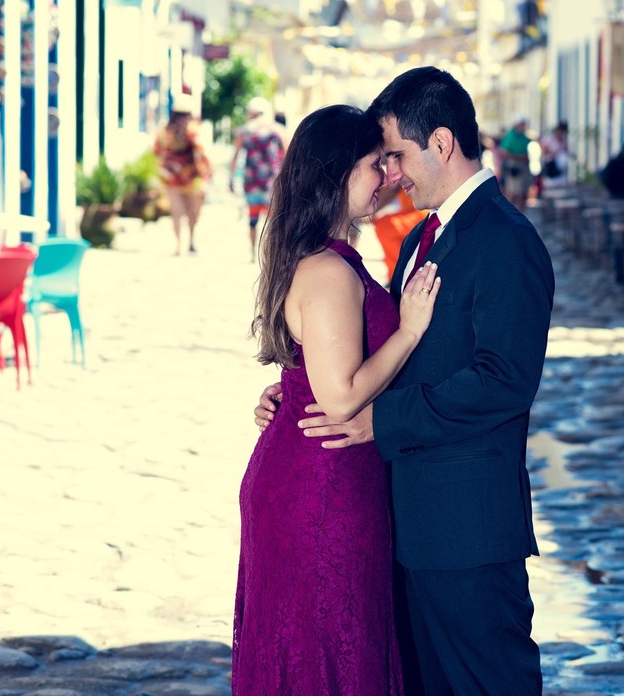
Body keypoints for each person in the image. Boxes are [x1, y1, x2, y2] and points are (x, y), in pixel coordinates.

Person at [254, 67, 555, 696]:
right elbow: (372, 347)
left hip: (466, 527)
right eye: (381, 160)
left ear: (441, 144)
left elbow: (503, 380)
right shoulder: (421, 235)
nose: (392, 173)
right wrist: (299, 389)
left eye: (397, 154)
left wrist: (381, 421)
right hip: (402, 520)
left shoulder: (506, 240)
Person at [234, 104, 443, 695]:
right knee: (328, 644)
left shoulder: (326, 257)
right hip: (321, 487)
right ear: (337, 172)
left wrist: (285, 393)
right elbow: (342, 394)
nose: (389, 177)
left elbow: (316, 370)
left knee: (329, 642)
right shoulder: (327, 270)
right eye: (376, 165)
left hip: (321, 471)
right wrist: (409, 329)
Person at [152, 94, 212, 256]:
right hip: (192, 177)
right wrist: (207, 172)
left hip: (171, 177)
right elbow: (202, 153)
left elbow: (156, 152)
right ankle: (191, 241)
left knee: (176, 212)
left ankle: (179, 245)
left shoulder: (164, 130)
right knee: (192, 211)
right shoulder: (193, 129)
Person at [229, 96, 286, 261]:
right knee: (274, 221)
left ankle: (253, 253)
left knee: (252, 219)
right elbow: (289, 153)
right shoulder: (277, 129)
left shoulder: (244, 131)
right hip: (273, 184)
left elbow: (235, 157)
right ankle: (273, 254)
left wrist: (231, 179)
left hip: (251, 182)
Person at [370, 183, 427, 286]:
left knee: (385, 226)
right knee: (385, 225)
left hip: (424, 213)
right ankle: (400, 272)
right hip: (414, 214)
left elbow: (389, 191)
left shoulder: (402, 172)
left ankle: (400, 273)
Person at [498, 117, 532, 211]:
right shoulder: (510, 136)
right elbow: (503, 152)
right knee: (512, 192)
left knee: (523, 192)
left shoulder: (524, 136)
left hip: (523, 166)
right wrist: (517, 157)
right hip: (513, 166)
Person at [538, 121, 569, 194]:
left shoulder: (564, 140)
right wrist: (553, 153)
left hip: (559, 168)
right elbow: (544, 149)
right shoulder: (549, 139)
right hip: (551, 164)